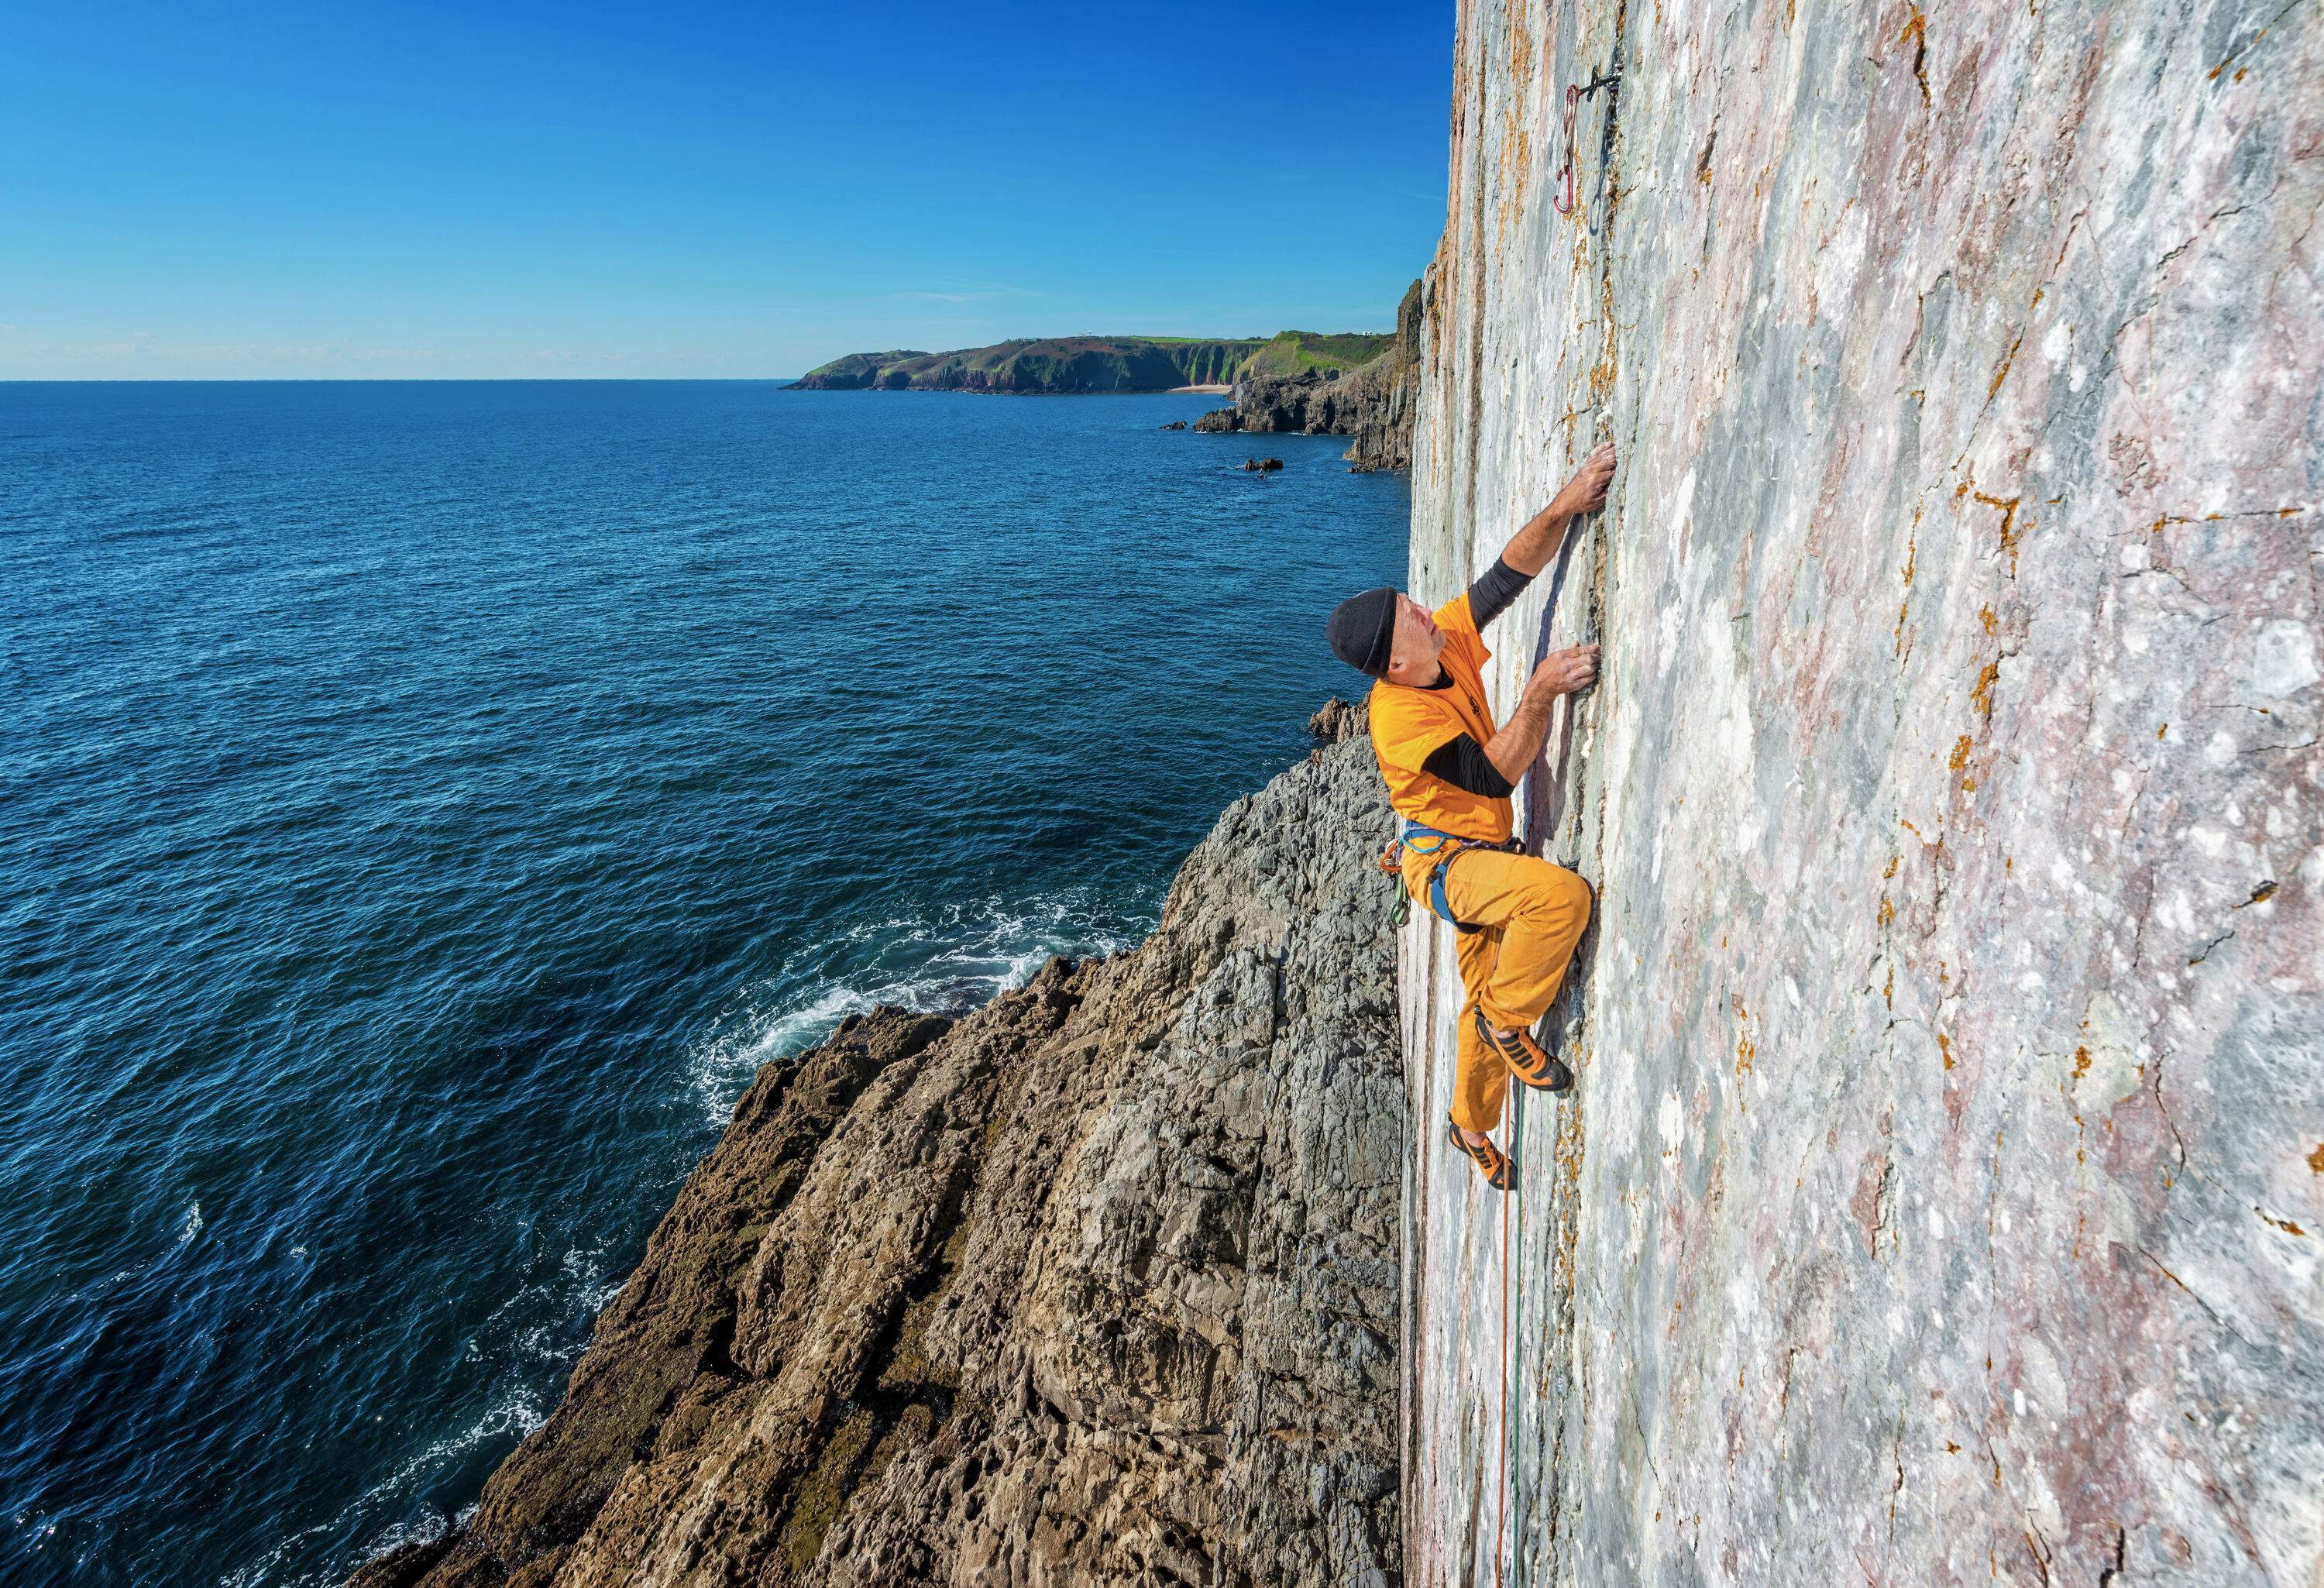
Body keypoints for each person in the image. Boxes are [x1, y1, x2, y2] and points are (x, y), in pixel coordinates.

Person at [1325, 442, 1614, 1191]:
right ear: (1394, 661)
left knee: (1477, 1000)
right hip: (1449, 865)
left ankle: (1468, 1125)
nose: (1426, 609)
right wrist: (1543, 691)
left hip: (1475, 852)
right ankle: (1510, 1022)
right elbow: (1490, 773)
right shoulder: (1397, 717)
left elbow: (1505, 579)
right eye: (1410, 615)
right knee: (1559, 901)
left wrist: (1564, 503)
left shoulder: (1440, 647)